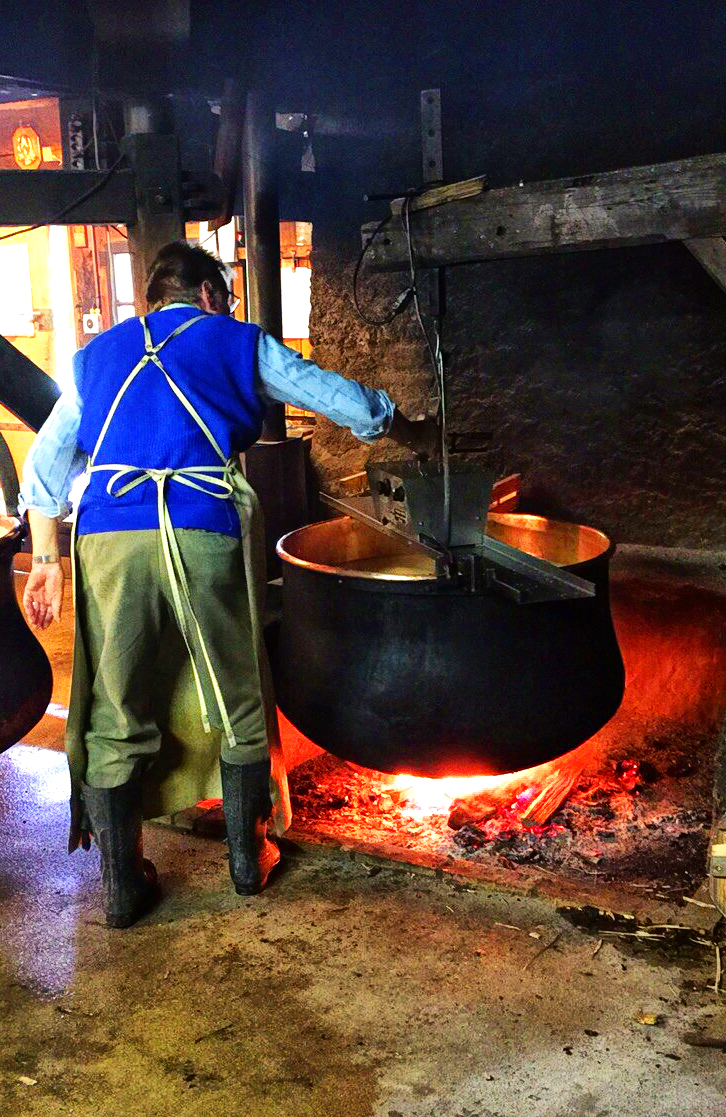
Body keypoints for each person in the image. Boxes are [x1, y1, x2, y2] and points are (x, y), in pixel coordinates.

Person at [20, 240, 436, 929]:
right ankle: (249, 862)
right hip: (200, 523)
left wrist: (46, 561)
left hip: (108, 535)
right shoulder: (234, 339)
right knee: (235, 692)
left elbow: (43, 473)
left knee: (116, 711)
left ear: (156, 300)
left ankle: (122, 891)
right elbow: (332, 395)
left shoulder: (97, 356)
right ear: (211, 294)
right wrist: (400, 424)